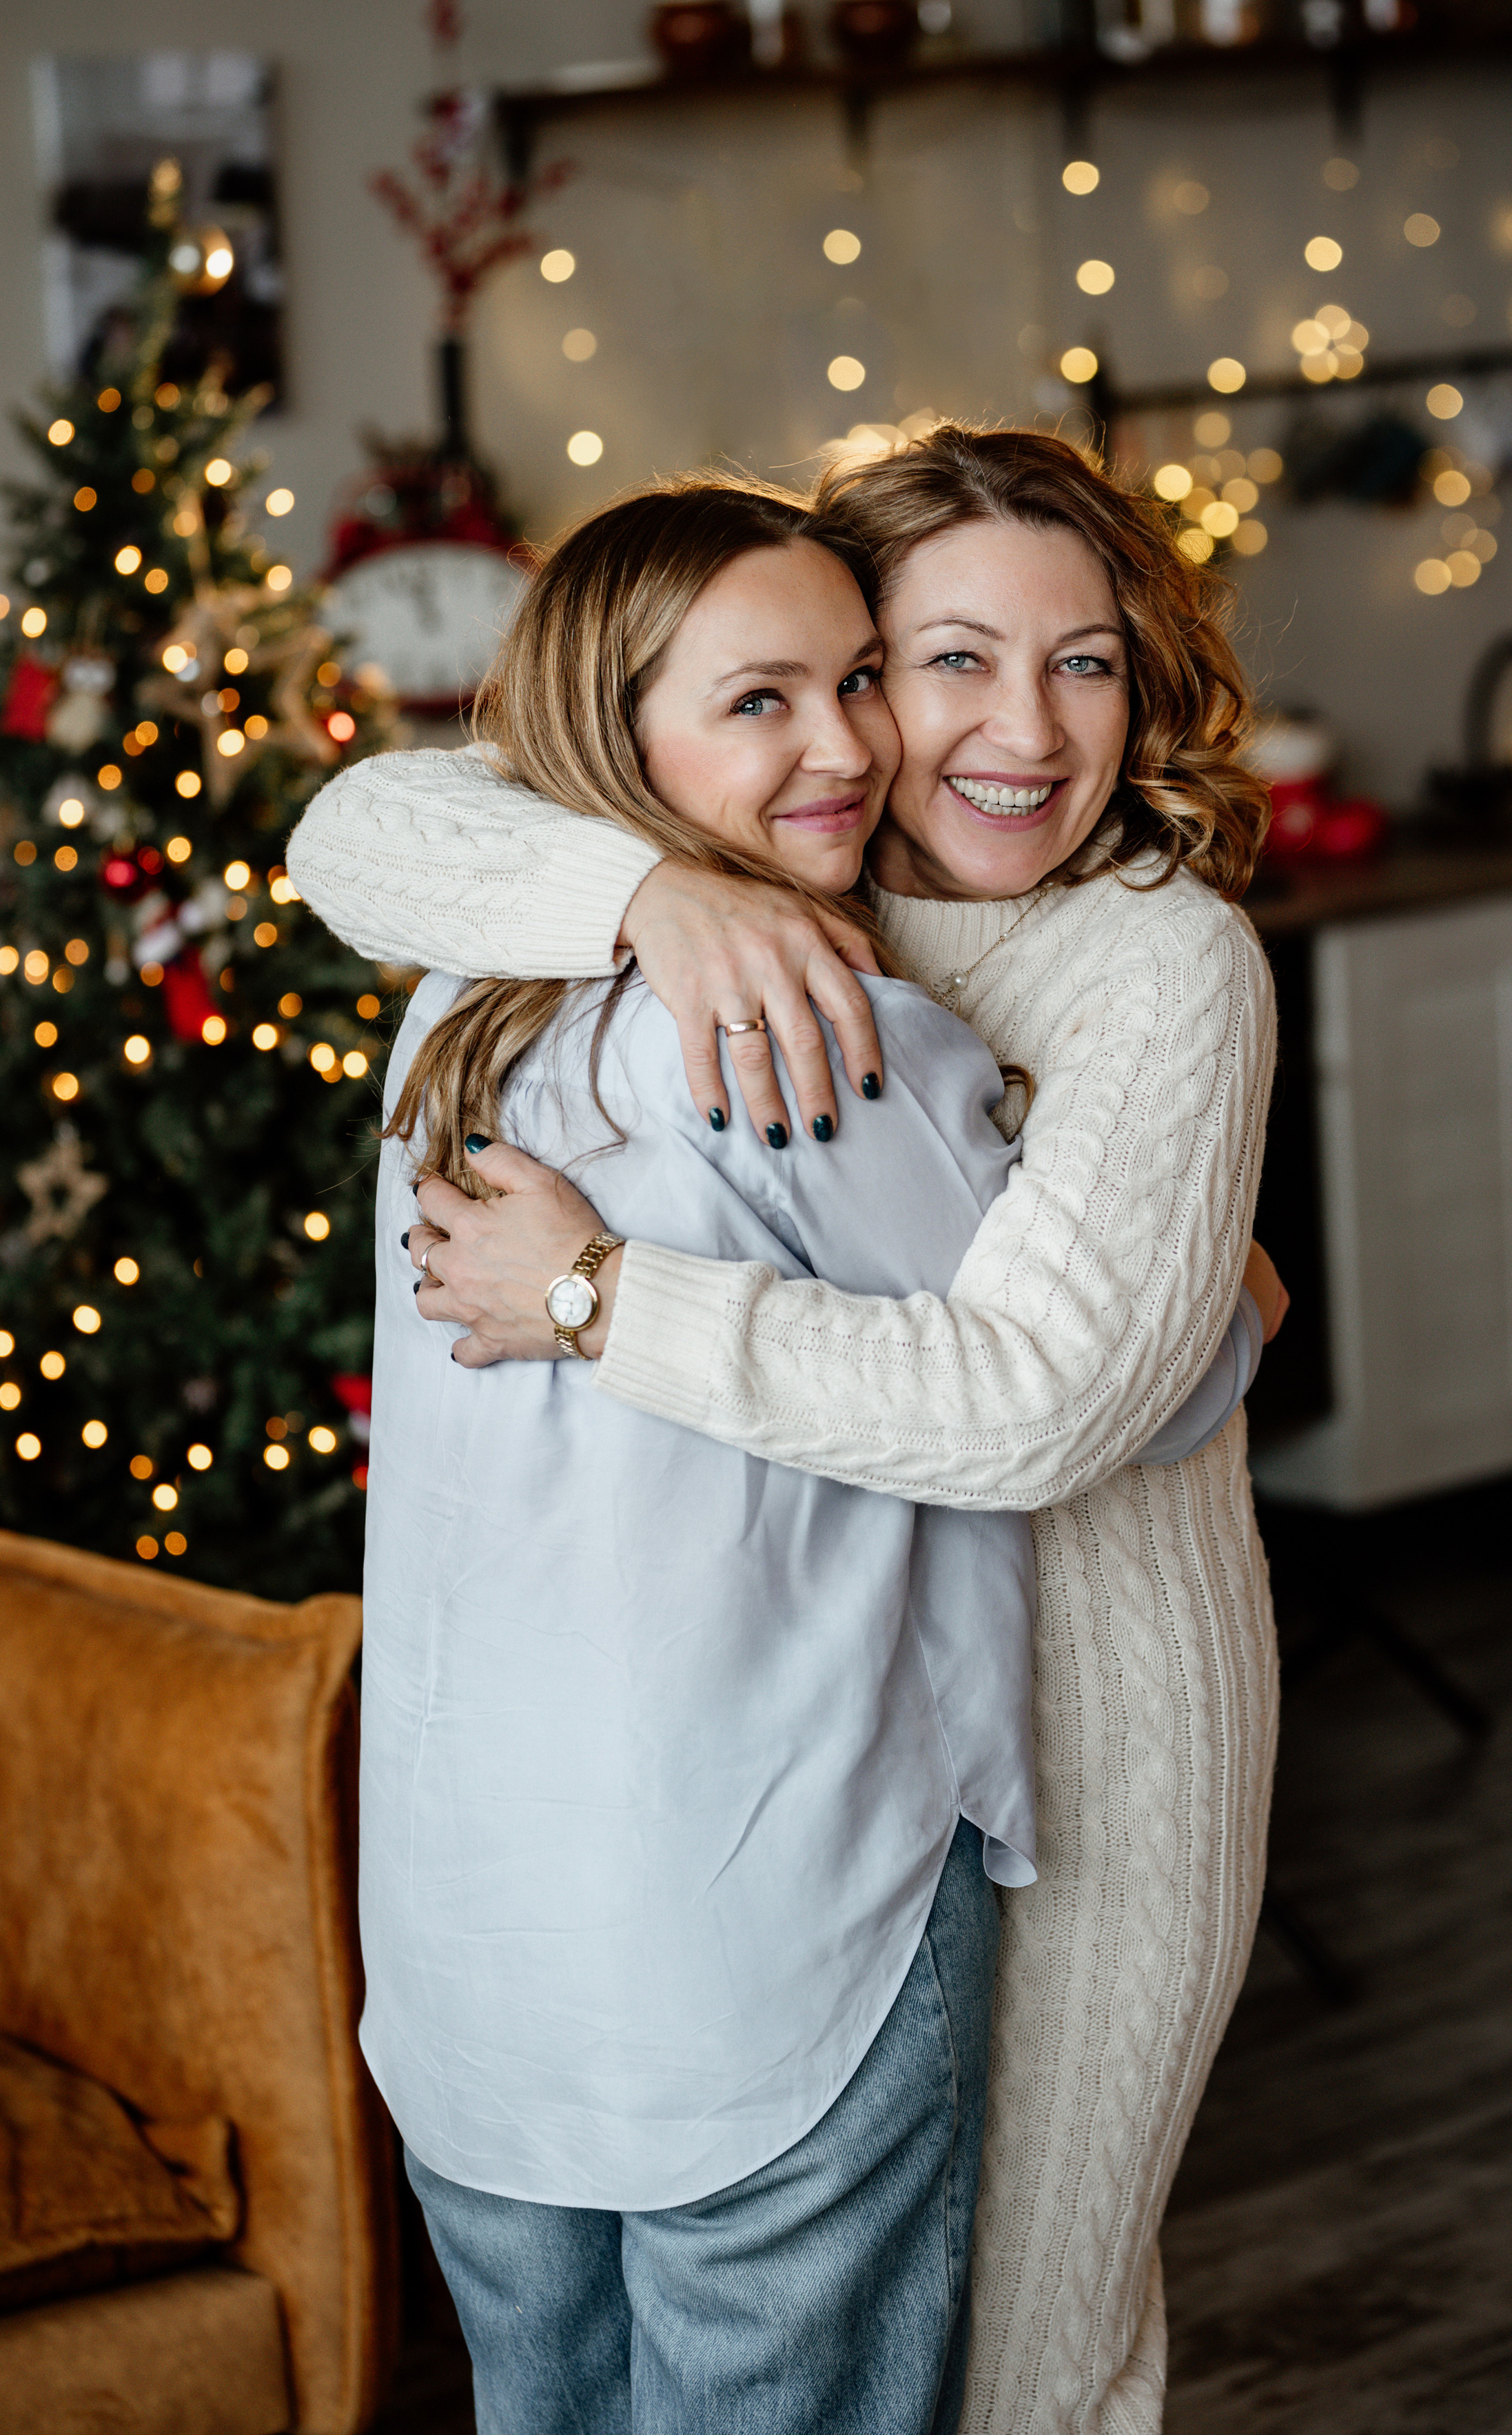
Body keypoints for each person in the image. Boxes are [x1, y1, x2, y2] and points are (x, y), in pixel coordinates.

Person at [290, 425, 1281, 2433]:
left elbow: (1048, 1396)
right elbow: (355, 825)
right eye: (935, 661)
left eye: (1087, 659)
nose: (1015, 725)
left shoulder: (489, 987)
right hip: (812, 1827)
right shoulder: (780, 986)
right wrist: (1219, 1312)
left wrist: (599, 1273)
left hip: (1086, 1731)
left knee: (1030, 2355)